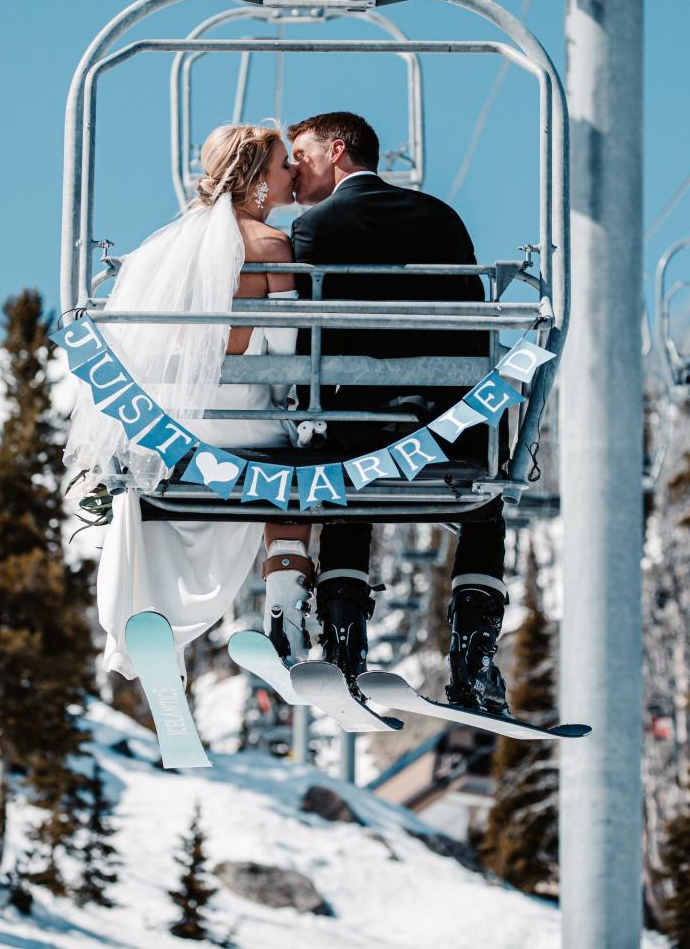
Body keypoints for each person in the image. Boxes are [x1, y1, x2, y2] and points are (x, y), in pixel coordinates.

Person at [64, 123, 313, 681]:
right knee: (290, 483)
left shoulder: (164, 249)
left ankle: (154, 629)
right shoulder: (272, 247)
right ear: (254, 180)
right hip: (249, 435)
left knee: (170, 507)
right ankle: (287, 622)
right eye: (281, 165)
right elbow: (286, 355)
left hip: (175, 435)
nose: (291, 172)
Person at [289, 110, 509, 715]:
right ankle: (472, 661)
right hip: (450, 422)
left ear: (336, 151)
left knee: (345, 487)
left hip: (361, 426)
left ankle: (343, 645)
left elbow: (311, 338)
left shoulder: (315, 227)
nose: (293, 166)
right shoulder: (440, 216)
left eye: (301, 153)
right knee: (483, 509)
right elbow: (469, 321)